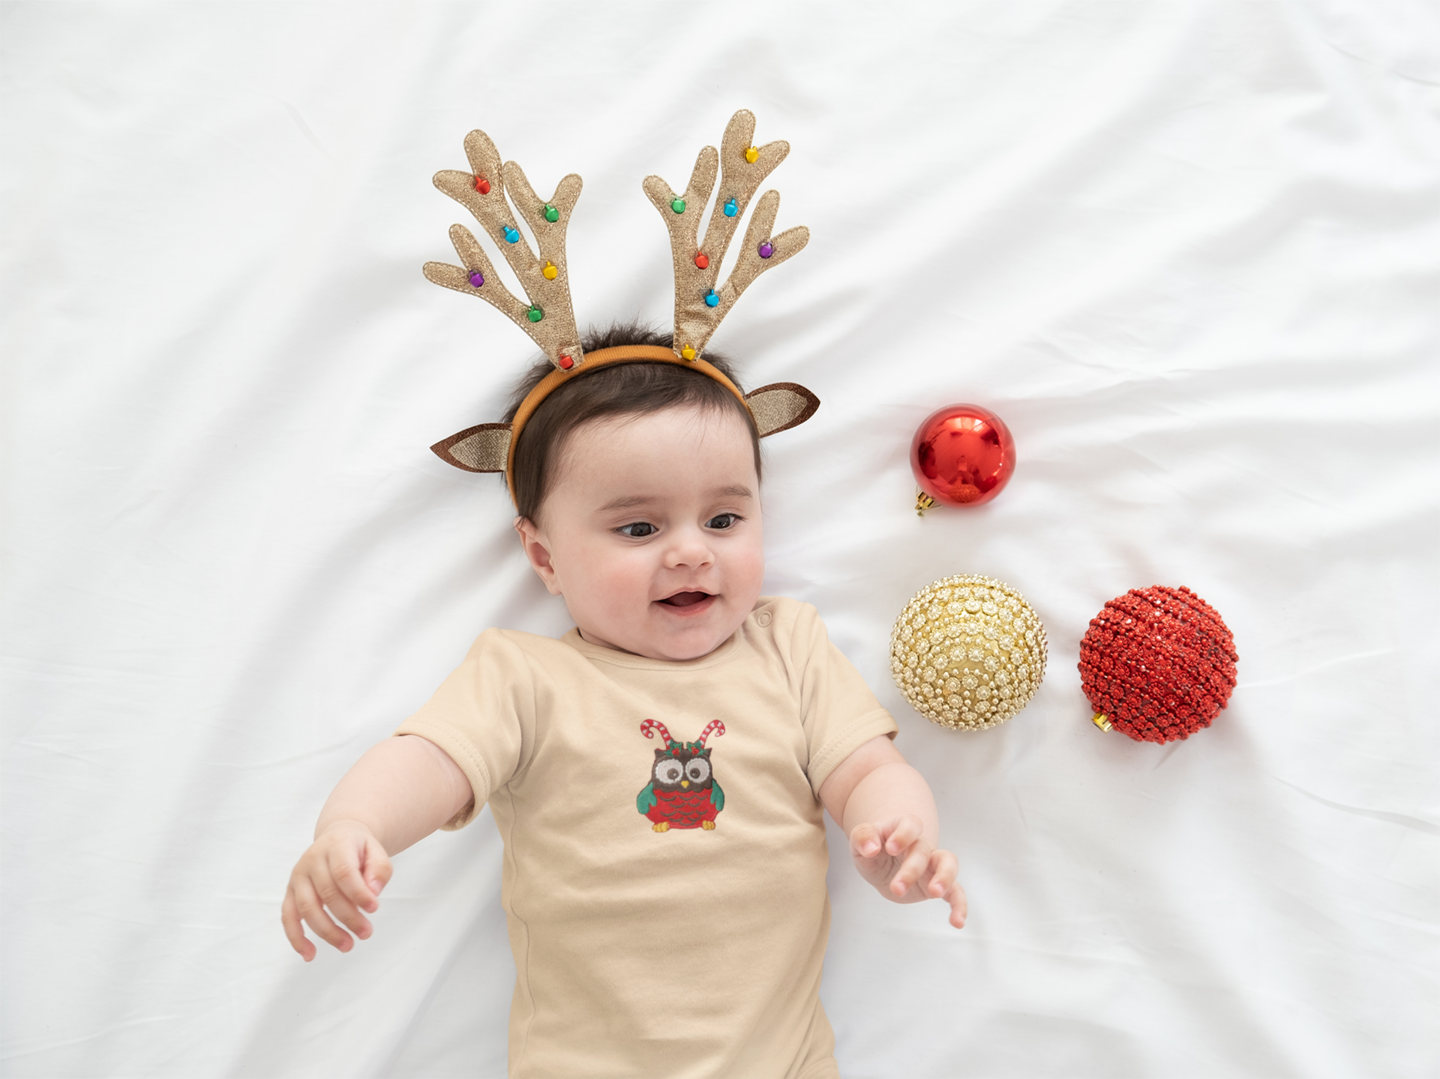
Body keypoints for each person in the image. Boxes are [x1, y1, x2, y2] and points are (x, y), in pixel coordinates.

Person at [280, 324, 966, 1076]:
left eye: (725, 519)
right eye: (639, 526)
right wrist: (355, 823)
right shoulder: (524, 678)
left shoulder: (789, 646)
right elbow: (428, 758)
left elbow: (868, 768)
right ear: (544, 556)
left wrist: (897, 835)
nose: (690, 551)